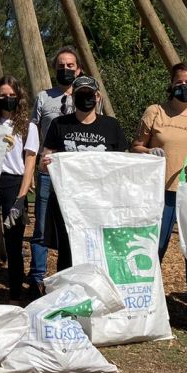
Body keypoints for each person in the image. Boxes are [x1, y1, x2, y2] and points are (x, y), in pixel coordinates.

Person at [131, 63, 187, 335]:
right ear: (171, 83)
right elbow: (135, 145)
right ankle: (146, 307)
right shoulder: (155, 112)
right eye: (179, 82)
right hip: (161, 192)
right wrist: (146, 152)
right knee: (153, 250)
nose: (184, 87)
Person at [28, 47, 100, 291]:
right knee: (41, 225)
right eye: (61, 66)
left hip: (80, 177)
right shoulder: (43, 98)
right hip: (50, 171)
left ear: (78, 69)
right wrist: (34, 167)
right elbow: (33, 134)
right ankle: (37, 278)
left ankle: (72, 275)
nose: (65, 69)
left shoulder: (88, 95)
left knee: (76, 227)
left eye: (70, 66)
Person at [40, 76, 128, 271]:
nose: (86, 98)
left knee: (98, 249)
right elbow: (43, 163)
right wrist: (47, 163)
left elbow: (124, 164)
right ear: (73, 97)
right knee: (68, 251)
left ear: (98, 97)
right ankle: (68, 293)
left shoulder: (111, 126)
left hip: (100, 203)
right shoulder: (59, 124)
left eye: (90, 94)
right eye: (81, 95)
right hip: (68, 202)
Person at [0, 76, 38, 306]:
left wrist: (21, 199)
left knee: (13, 245)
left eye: (12, 96)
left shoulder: (28, 127)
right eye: (3, 96)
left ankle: (14, 297)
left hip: (14, 185)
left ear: (19, 98)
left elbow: (30, 163)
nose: (7, 99)